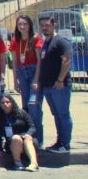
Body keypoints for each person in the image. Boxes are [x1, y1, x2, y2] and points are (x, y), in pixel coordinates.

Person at [32, 14, 73, 153]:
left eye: (47, 25)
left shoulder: (60, 41)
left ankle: (65, 144)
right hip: (48, 86)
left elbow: (66, 61)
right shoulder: (46, 42)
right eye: (42, 25)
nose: (45, 28)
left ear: (54, 25)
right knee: (56, 114)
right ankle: (59, 142)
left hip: (59, 85)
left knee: (63, 114)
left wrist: (60, 80)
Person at [0, 93, 39, 171]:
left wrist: (28, 134)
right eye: (2, 103)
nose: (5, 104)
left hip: (27, 140)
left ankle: (34, 164)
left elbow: (32, 127)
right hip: (12, 142)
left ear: (12, 102)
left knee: (27, 139)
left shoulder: (22, 113)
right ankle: (17, 163)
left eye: (7, 102)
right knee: (16, 138)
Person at [9, 15, 42, 111]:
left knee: (33, 103)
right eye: (19, 24)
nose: (22, 26)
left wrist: (36, 79)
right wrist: (15, 81)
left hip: (34, 71)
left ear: (30, 25)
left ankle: (36, 121)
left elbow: (39, 60)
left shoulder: (35, 38)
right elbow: (14, 62)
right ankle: (28, 120)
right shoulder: (15, 40)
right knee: (26, 104)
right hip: (21, 72)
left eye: (25, 24)